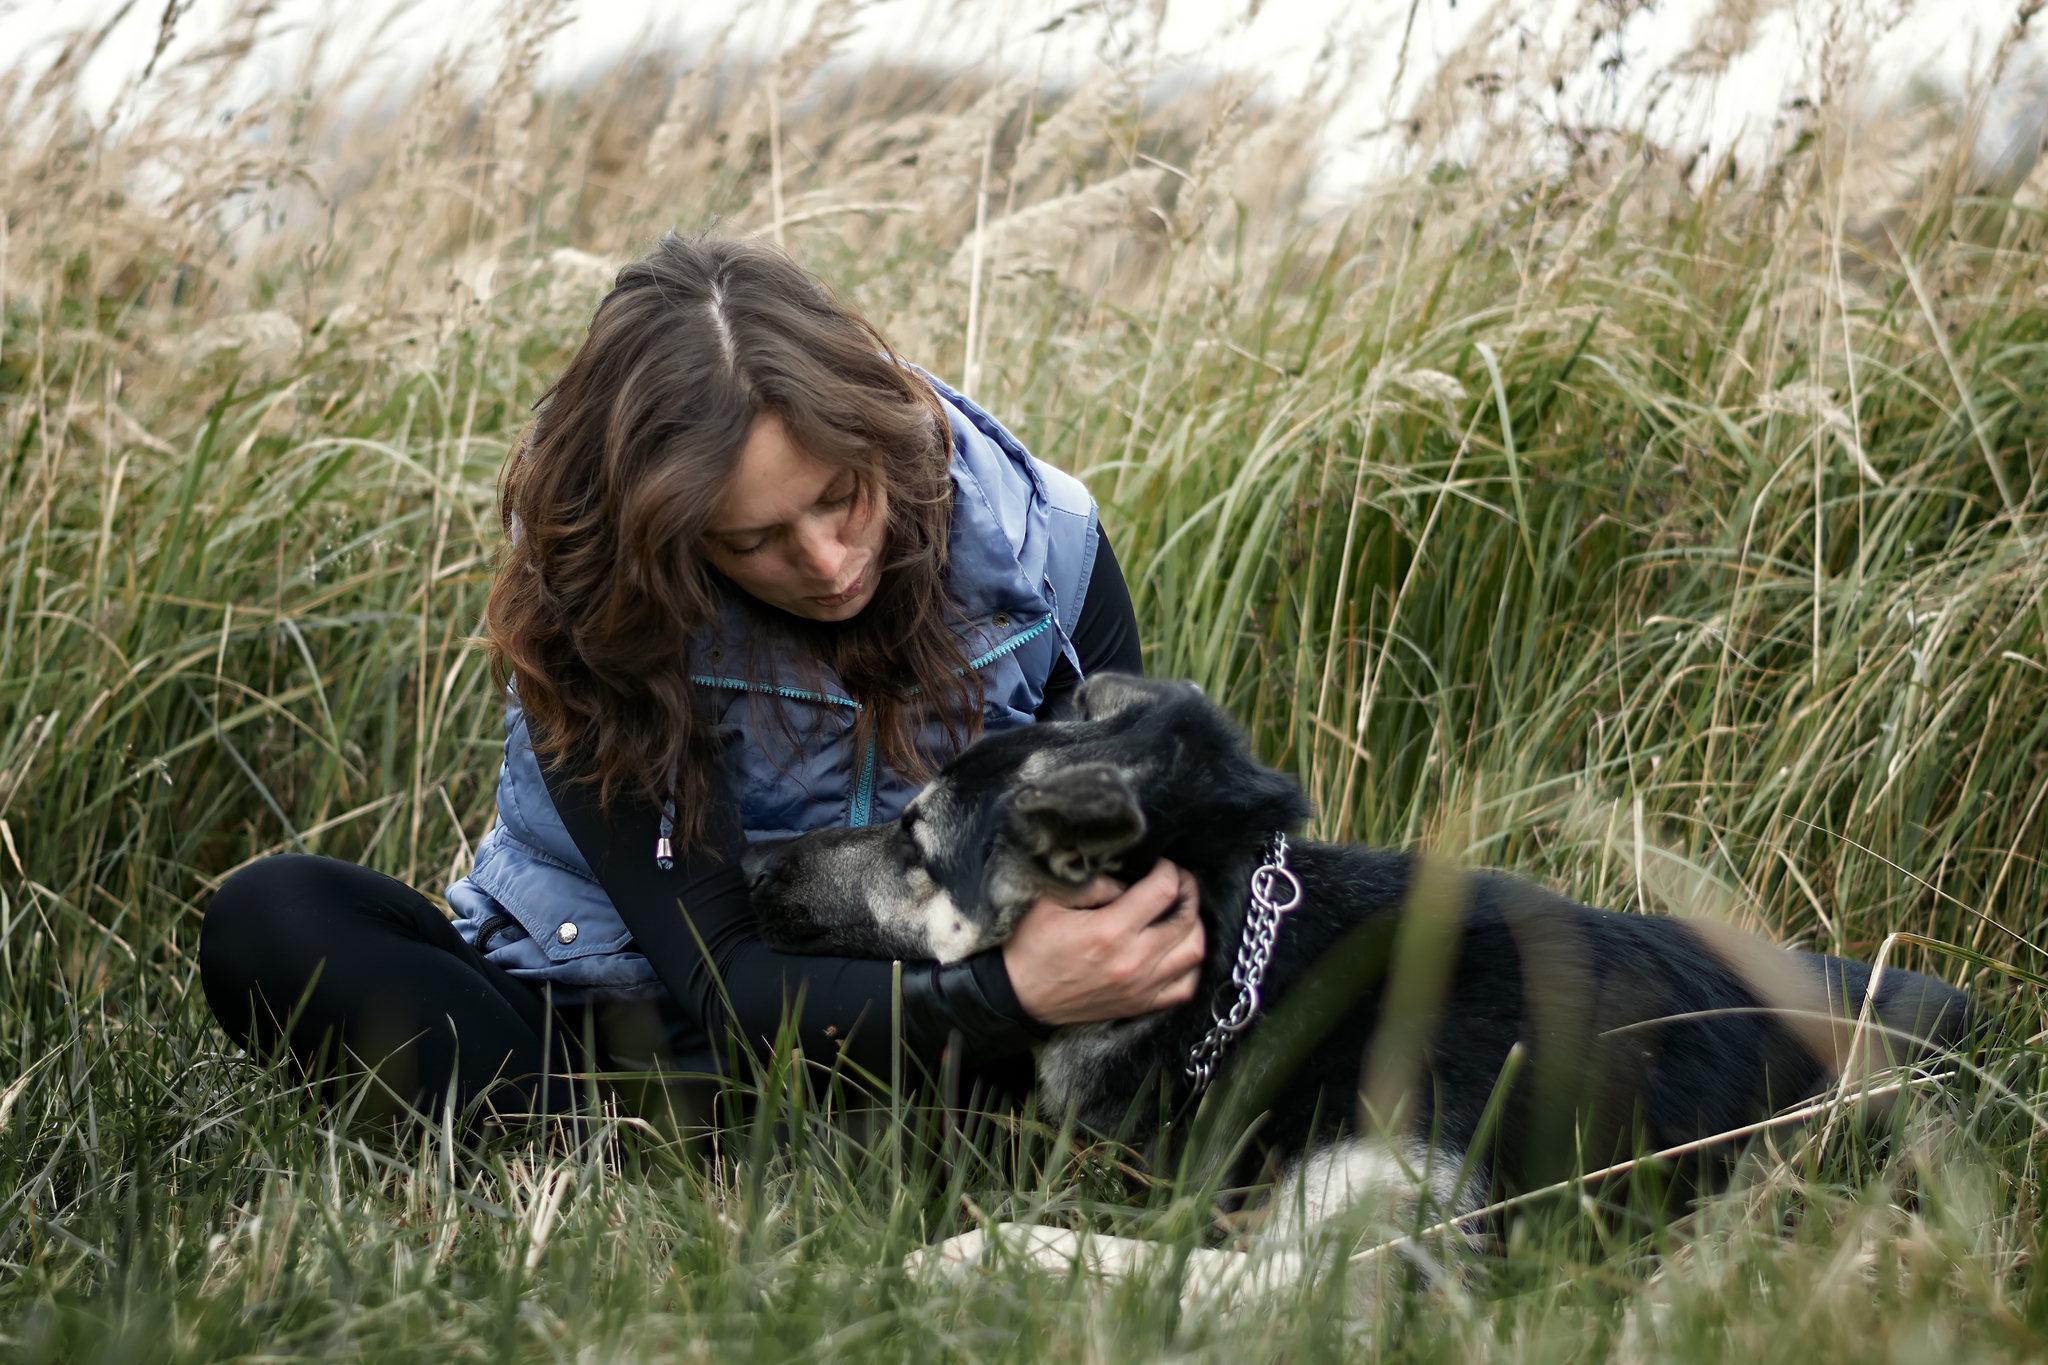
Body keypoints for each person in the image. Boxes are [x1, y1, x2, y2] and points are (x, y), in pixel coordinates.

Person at [198, 233, 1205, 1127]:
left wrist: (1043, 979)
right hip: (630, 1016)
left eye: (839, 499)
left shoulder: (1047, 548)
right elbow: (719, 975)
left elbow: (1124, 875)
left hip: (922, 1023)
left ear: (875, 442)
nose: (825, 562)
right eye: (753, 539)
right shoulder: (596, 604)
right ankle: (627, 1141)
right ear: (669, 537)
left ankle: (704, 1145)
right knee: (274, 917)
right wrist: (1009, 998)